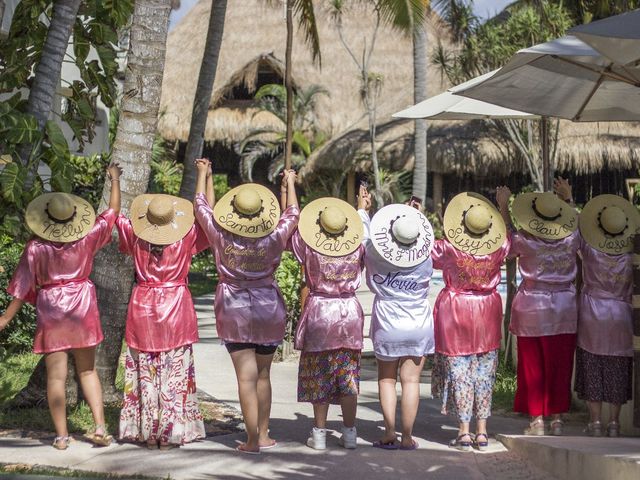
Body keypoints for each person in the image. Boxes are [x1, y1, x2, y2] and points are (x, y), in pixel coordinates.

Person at [0, 164, 122, 450]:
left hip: (52, 308)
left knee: (56, 376)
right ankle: (101, 428)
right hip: (82, 304)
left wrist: (6, 317)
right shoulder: (87, 237)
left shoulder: (35, 247)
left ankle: (62, 436)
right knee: (88, 371)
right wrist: (114, 179)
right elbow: (112, 213)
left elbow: (21, 286)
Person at [193, 159, 299, 454]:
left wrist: (204, 174)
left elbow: (201, 207)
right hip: (268, 309)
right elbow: (292, 214)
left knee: (246, 377)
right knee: (263, 375)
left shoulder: (220, 234)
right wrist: (288, 184)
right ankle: (263, 434)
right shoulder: (274, 237)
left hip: (234, 309)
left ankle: (252, 440)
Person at [117, 191, 209, 449]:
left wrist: (115, 181)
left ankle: (149, 433)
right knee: (174, 373)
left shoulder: (136, 236)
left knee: (146, 372)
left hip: (143, 306)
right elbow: (207, 215)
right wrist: (204, 177)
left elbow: (115, 217)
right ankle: (171, 434)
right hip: (176, 306)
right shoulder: (185, 237)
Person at [431, 191, 510, 451]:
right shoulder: (497, 247)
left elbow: (427, 251)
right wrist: (503, 207)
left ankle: (464, 432)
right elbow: (509, 239)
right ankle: (482, 431)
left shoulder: (450, 247)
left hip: (456, 311)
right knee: (484, 373)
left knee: (460, 371)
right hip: (487, 311)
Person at [358, 190, 435, 450]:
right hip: (418, 323)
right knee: (411, 381)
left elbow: (364, 237)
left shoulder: (375, 254)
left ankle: (389, 431)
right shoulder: (426, 256)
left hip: (388, 322)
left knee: (387, 379)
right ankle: (407, 436)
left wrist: (363, 211)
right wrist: (415, 218)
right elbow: (419, 238)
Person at [291, 193, 366, 451]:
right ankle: (349, 433)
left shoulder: (310, 247)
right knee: (348, 378)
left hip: (321, 312)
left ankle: (320, 433)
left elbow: (295, 227)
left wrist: (289, 188)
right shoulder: (357, 247)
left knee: (320, 375)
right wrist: (361, 210)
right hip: (349, 314)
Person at [505, 178, 579, 436]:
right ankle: (557, 419)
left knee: (532, 365)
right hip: (564, 308)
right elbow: (582, 228)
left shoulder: (526, 240)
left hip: (531, 308)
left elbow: (505, 244)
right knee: (560, 364)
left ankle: (537, 420)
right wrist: (568, 200)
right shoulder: (571, 239)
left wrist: (504, 208)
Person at [575, 194, 639, 437]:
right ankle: (613, 422)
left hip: (593, 313)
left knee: (593, 366)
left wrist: (571, 201)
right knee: (618, 368)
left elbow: (574, 233)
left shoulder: (592, 251)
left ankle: (595, 422)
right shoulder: (630, 255)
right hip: (622, 315)